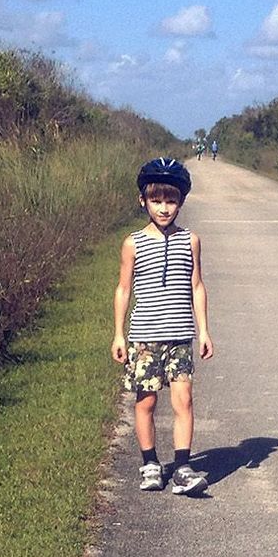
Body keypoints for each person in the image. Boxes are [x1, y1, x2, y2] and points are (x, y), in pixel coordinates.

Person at [112, 157, 214, 496]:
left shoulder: (190, 241)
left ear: (181, 201)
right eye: (156, 200)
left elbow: (196, 286)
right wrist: (119, 333)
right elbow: (124, 288)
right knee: (147, 402)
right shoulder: (133, 243)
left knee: (183, 400)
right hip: (144, 338)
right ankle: (150, 464)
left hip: (180, 337)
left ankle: (183, 467)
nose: (164, 208)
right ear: (143, 200)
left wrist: (203, 330)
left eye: (171, 200)